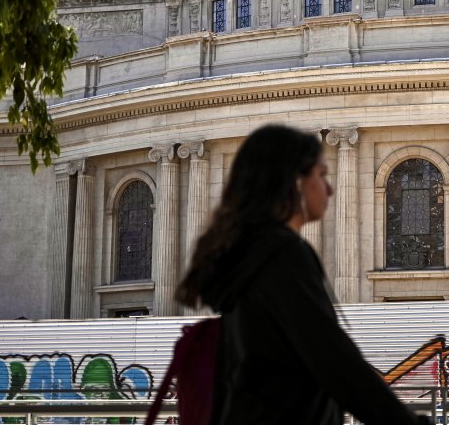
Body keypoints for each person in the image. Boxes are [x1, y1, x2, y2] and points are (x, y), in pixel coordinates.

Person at [176, 125, 425, 425]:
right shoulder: (281, 256)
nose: (330, 188)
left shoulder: (246, 257)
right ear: (295, 182)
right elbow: (336, 363)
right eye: (321, 175)